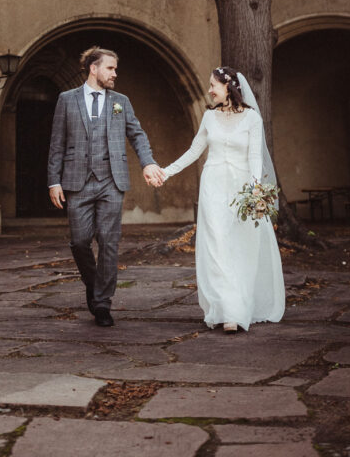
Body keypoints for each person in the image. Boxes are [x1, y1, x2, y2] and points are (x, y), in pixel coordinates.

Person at [161, 65, 285, 333]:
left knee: (240, 246)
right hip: (213, 187)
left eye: (212, 85)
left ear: (228, 87)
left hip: (241, 189)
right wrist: (165, 172)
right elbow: (195, 151)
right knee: (217, 245)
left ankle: (241, 305)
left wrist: (255, 189)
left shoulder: (252, 119)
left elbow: (254, 156)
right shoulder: (209, 118)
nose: (209, 90)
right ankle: (227, 310)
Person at [47, 46, 164, 327]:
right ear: (94, 68)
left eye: (115, 68)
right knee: (79, 241)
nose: (115, 73)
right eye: (110, 68)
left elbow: (137, 135)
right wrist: (54, 181)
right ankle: (95, 284)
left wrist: (148, 163)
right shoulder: (67, 99)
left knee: (109, 244)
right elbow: (57, 143)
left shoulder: (121, 101)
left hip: (112, 182)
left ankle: (102, 304)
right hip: (77, 183)